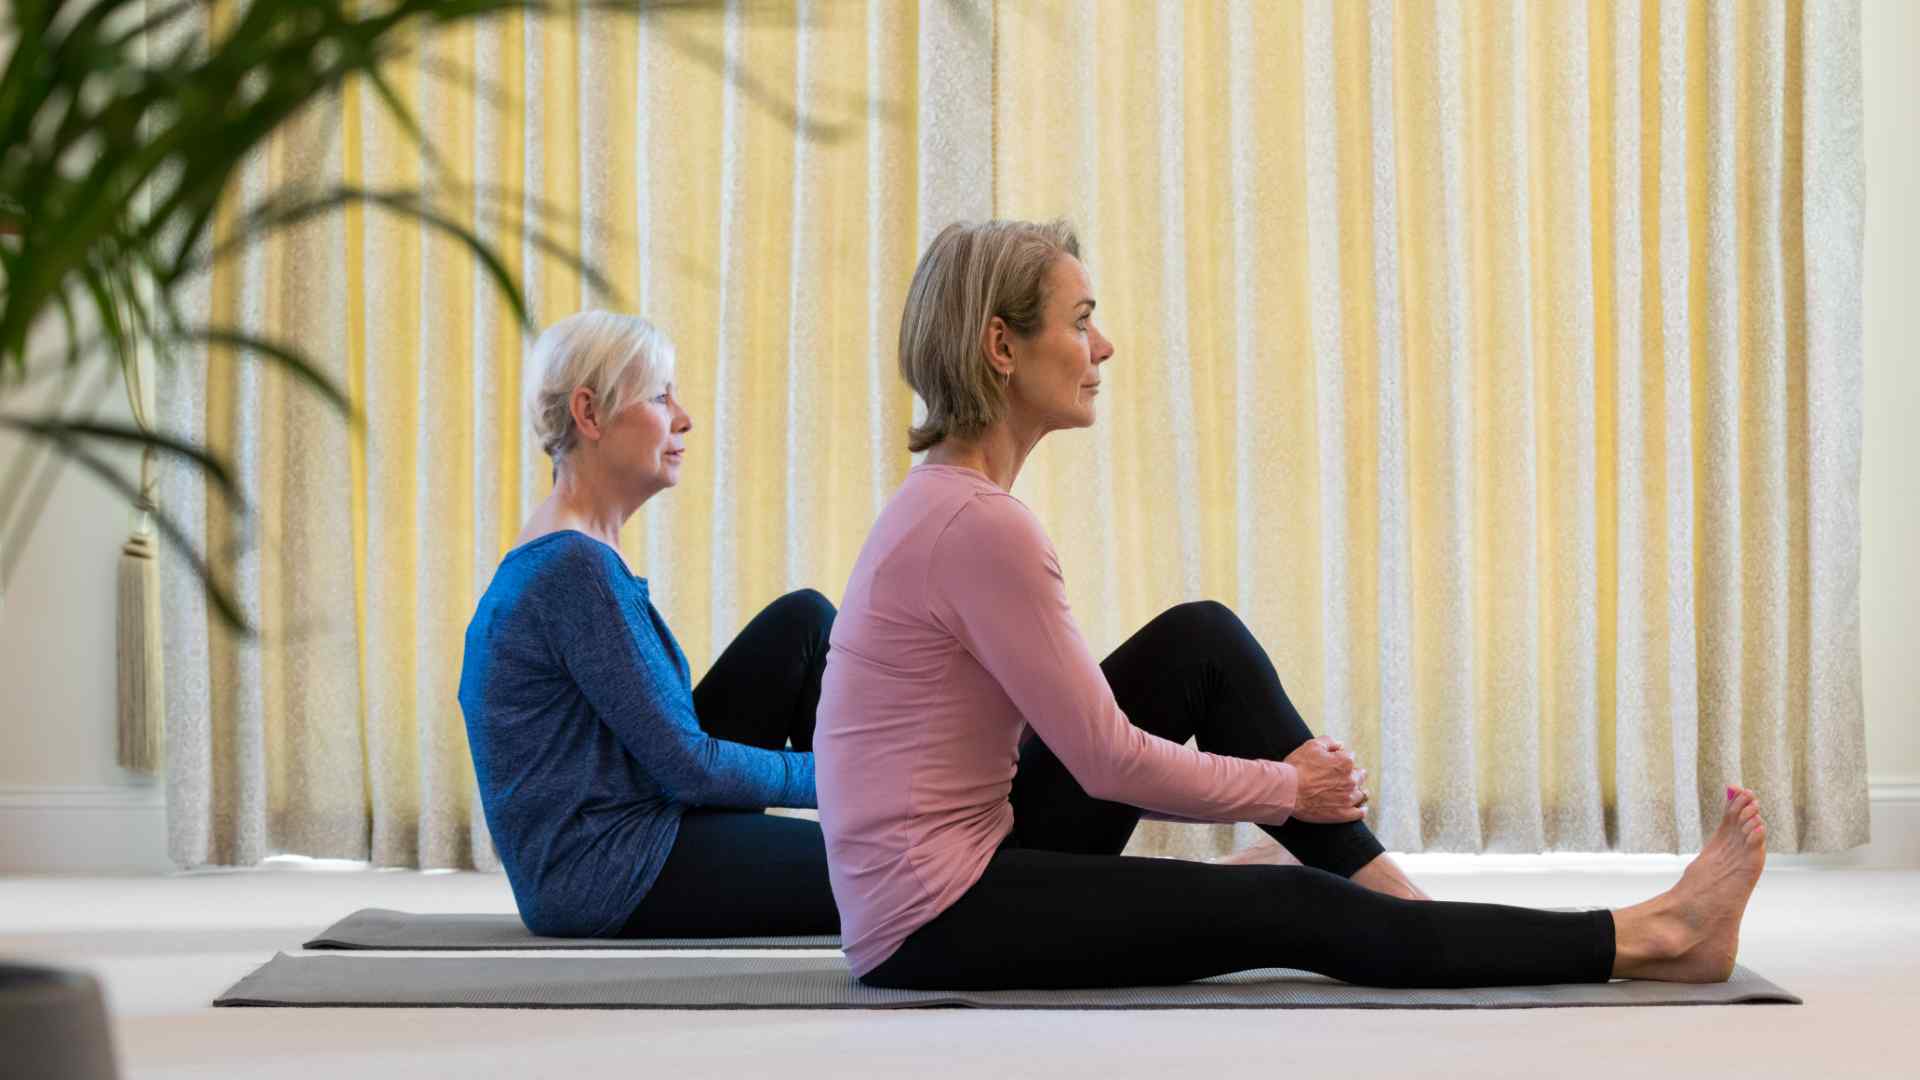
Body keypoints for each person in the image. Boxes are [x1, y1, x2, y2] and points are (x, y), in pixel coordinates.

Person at [813, 219, 1769, 991]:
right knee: (1302, 916)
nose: (1103, 344)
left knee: (1200, 642)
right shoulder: (981, 528)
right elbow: (1104, 762)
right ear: (1001, 347)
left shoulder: (952, 507)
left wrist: (1288, 798)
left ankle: (1399, 903)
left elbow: (1078, 742)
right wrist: (1288, 789)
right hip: (933, 918)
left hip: (976, 848)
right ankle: (1655, 935)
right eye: (1080, 318)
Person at [457, 311, 838, 939]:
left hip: (643, 814)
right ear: (590, 414)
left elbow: (670, 748)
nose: (684, 417)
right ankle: (909, 812)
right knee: (893, 872)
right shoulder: (571, 569)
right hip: (609, 870)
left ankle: (901, 807)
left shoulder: (574, 553)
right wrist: (849, 779)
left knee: (802, 621)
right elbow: (691, 766)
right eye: (661, 397)